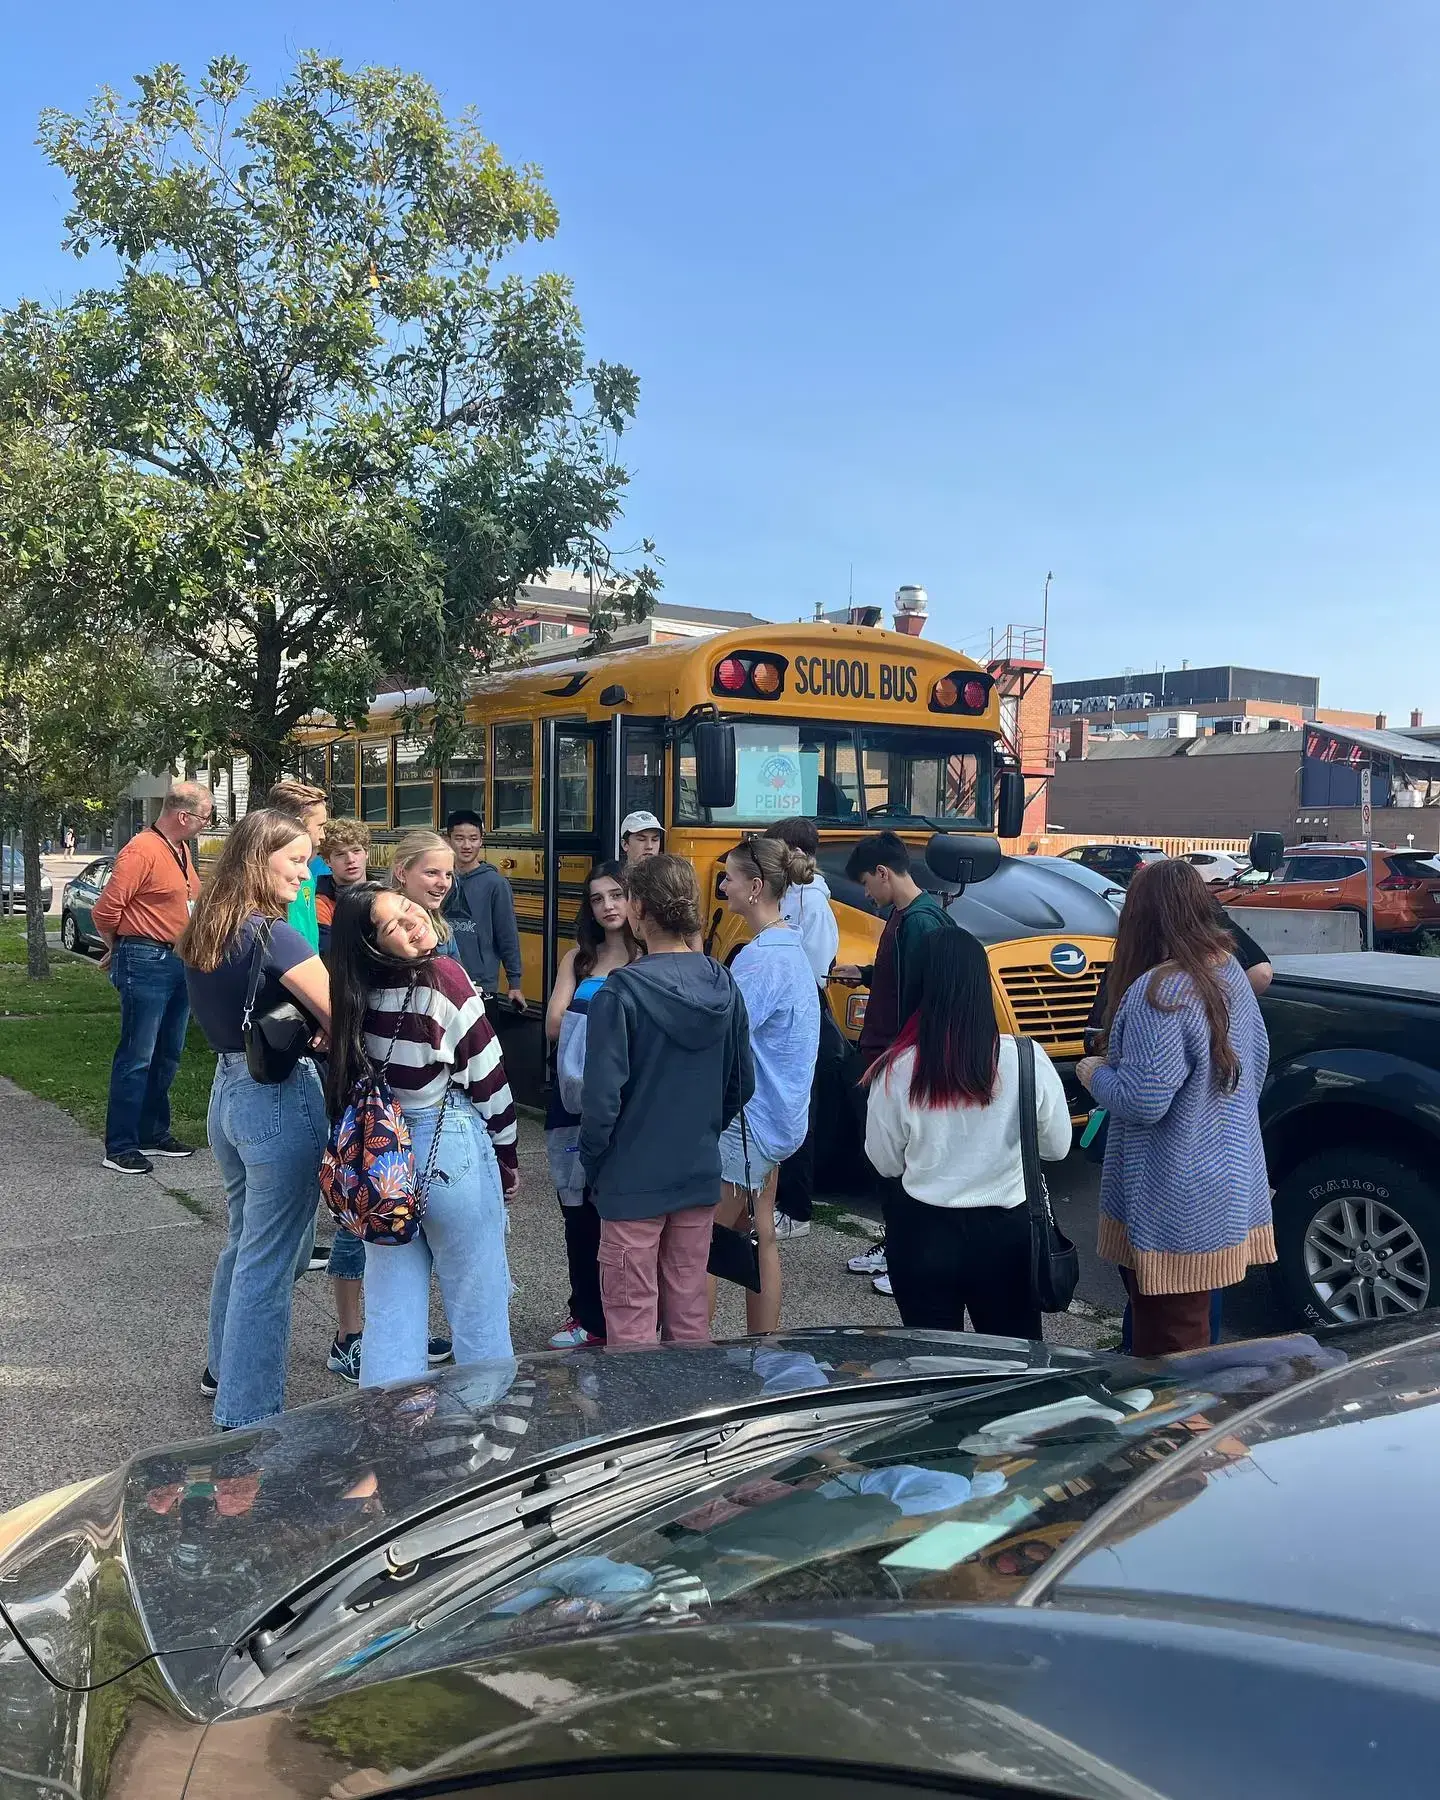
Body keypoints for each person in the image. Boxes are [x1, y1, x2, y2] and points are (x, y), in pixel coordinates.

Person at [1076, 858, 1274, 1357]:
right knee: (1194, 1332)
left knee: (1170, 1355)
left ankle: (1180, 1413)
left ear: (1140, 916)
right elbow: (1258, 1059)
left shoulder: (1159, 991)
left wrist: (1093, 1071)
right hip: (1227, 1178)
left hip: (1173, 1198)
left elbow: (1143, 1100)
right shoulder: (1227, 970)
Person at [326, 882, 519, 1386]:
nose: (413, 921)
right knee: (477, 1305)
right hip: (447, 1145)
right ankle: (487, 1420)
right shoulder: (443, 977)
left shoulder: (350, 989)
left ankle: (388, 1426)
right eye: (394, 924)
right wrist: (507, 1158)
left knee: (391, 1313)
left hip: (383, 1158)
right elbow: (489, 1080)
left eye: (408, 908)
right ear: (373, 943)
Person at [179, 809, 332, 1427]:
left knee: (246, 1243)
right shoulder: (274, 934)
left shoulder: (208, 928)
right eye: (294, 860)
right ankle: (246, 1415)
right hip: (277, 1095)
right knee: (269, 1263)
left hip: (227, 1093)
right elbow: (342, 1011)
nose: (305, 873)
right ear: (256, 859)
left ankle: (223, 1369)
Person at [579, 855, 753, 1348]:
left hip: (631, 1176)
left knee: (631, 1316)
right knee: (689, 1309)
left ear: (637, 909)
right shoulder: (723, 982)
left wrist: (595, 1159)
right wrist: (704, 1126)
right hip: (697, 1169)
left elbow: (601, 1100)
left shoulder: (620, 992)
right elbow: (743, 1082)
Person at [864, 929, 1072, 1339]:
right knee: (1012, 1362)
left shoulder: (897, 1069)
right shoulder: (1025, 1058)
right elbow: (1057, 1147)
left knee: (933, 1362)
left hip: (924, 1233)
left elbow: (885, 1162)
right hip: (1007, 1235)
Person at [833, 830, 953, 1289]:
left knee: (899, 1161)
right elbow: (900, 979)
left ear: (883, 873)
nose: (866, 893)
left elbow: (925, 997)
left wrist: (902, 1057)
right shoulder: (909, 916)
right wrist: (865, 974)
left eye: (867, 883)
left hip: (898, 1057)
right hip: (888, 1053)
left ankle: (906, 1255)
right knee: (889, 1159)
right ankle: (897, 1244)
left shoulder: (921, 922)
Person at [712, 835, 821, 1333]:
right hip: (779, 1116)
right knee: (761, 1235)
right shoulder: (790, 947)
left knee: (703, 1243)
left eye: (730, 877)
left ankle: (689, 1354)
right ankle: (765, 1349)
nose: (723, 886)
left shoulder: (761, 958)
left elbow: (725, 1035)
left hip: (747, 1121)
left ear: (755, 887)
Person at [91, 780, 214, 1174]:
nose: (207, 824)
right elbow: (105, 911)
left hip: (177, 959)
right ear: (183, 816)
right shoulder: (141, 850)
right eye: (205, 817)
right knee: (137, 1056)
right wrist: (118, 947)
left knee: (167, 1053)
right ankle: (120, 1145)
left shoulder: (179, 849)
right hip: (145, 957)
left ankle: (152, 1132)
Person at [544, 861, 641, 1349]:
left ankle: (625, 1315)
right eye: (598, 898)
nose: (607, 906)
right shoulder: (579, 959)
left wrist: (586, 1019)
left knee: (623, 1218)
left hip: (629, 1102)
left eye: (616, 895)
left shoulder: (649, 956)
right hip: (573, 1101)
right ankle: (584, 1312)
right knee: (578, 1215)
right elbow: (552, 1024)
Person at [764, 818, 842, 1240]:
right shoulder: (787, 894)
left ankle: (796, 1208)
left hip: (802, 1007)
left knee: (798, 1107)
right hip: (788, 1007)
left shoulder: (812, 901)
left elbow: (815, 966)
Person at [442, 810, 525, 1009]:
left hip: (481, 986)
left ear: (481, 840)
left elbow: (507, 935)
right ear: (448, 840)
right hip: (443, 981)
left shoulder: (495, 884)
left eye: (473, 839)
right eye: (459, 838)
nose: (467, 845)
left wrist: (514, 983)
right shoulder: (440, 880)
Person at [268, 781, 329, 953]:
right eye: (320, 826)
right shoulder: (275, 877)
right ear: (297, 824)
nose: (323, 835)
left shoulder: (306, 872)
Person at [390, 829, 458, 956]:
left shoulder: (443, 931)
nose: (444, 883)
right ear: (401, 873)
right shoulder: (379, 928)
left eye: (448, 875)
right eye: (432, 873)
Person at [315, 818, 371, 958]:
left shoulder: (385, 893)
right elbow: (329, 952)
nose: (350, 860)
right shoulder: (321, 903)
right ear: (327, 861)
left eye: (356, 851)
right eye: (340, 854)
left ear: (366, 853)